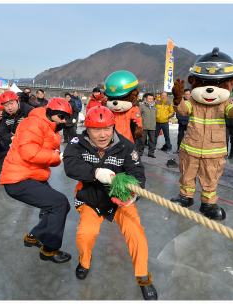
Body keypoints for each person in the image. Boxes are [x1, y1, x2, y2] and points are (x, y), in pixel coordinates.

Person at [63, 106, 157, 300]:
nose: (103, 134)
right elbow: (71, 166)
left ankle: (142, 276)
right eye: (96, 129)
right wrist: (95, 173)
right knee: (85, 234)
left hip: (119, 201)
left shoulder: (126, 146)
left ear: (113, 127)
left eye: (107, 128)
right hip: (90, 198)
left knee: (136, 234)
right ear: (87, 128)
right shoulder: (76, 143)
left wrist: (132, 195)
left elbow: (137, 174)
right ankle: (85, 261)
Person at [0, 98, 73, 263]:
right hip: (18, 179)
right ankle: (50, 250)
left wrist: (60, 157)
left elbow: (51, 160)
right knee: (59, 203)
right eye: (61, 116)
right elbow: (29, 152)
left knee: (61, 206)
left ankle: (34, 236)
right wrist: (57, 156)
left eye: (67, 117)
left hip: (32, 175)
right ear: (50, 112)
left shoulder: (52, 130)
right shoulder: (33, 123)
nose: (64, 120)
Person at [139, 93, 157, 158]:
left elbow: (155, 116)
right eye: (149, 99)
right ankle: (140, 152)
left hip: (152, 127)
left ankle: (151, 153)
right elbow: (139, 116)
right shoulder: (142, 107)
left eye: (152, 99)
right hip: (144, 126)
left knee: (152, 141)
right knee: (142, 140)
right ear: (145, 99)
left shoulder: (155, 107)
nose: (151, 100)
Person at [174, 89, 191, 154]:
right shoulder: (181, 101)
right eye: (185, 94)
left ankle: (188, 151)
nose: (187, 95)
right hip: (181, 121)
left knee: (189, 137)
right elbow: (177, 110)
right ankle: (179, 149)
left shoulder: (193, 102)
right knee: (180, 137)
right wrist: (179, 117)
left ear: (190, 94)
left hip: (189, 123)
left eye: (188, 94)